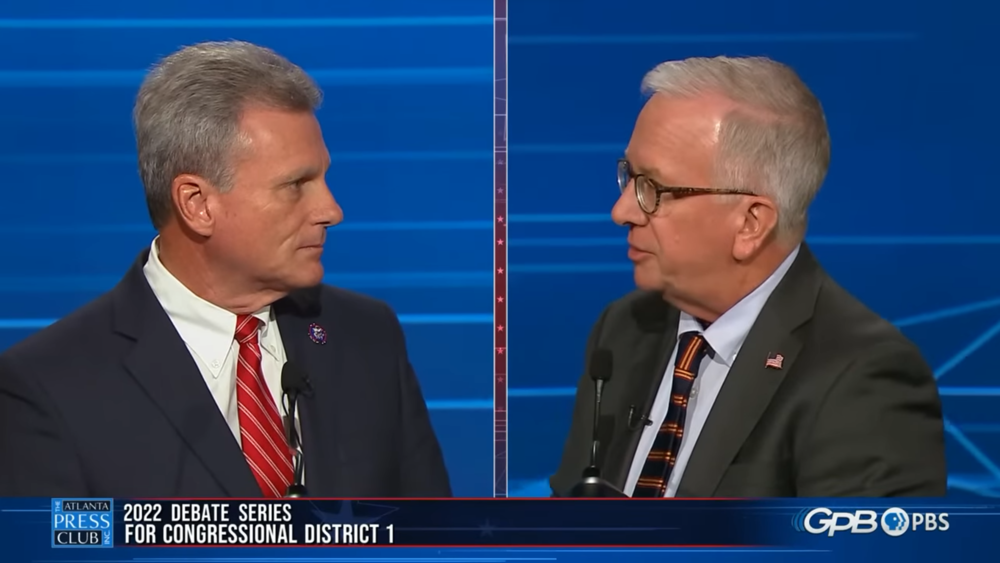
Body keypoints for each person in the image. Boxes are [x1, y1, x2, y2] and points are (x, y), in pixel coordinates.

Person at [0, 41, 451, 498]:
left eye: (323, 179)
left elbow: (435, 539)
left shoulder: (365, 336)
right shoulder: (49, 389)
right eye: (296, 185)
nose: (331, 210)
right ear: (197, 204)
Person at [551, 56, 946, 498]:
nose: (621, 211)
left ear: (750, 224)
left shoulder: (864, 379)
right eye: (627, 177)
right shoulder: (624, 330)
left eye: (653, 190)